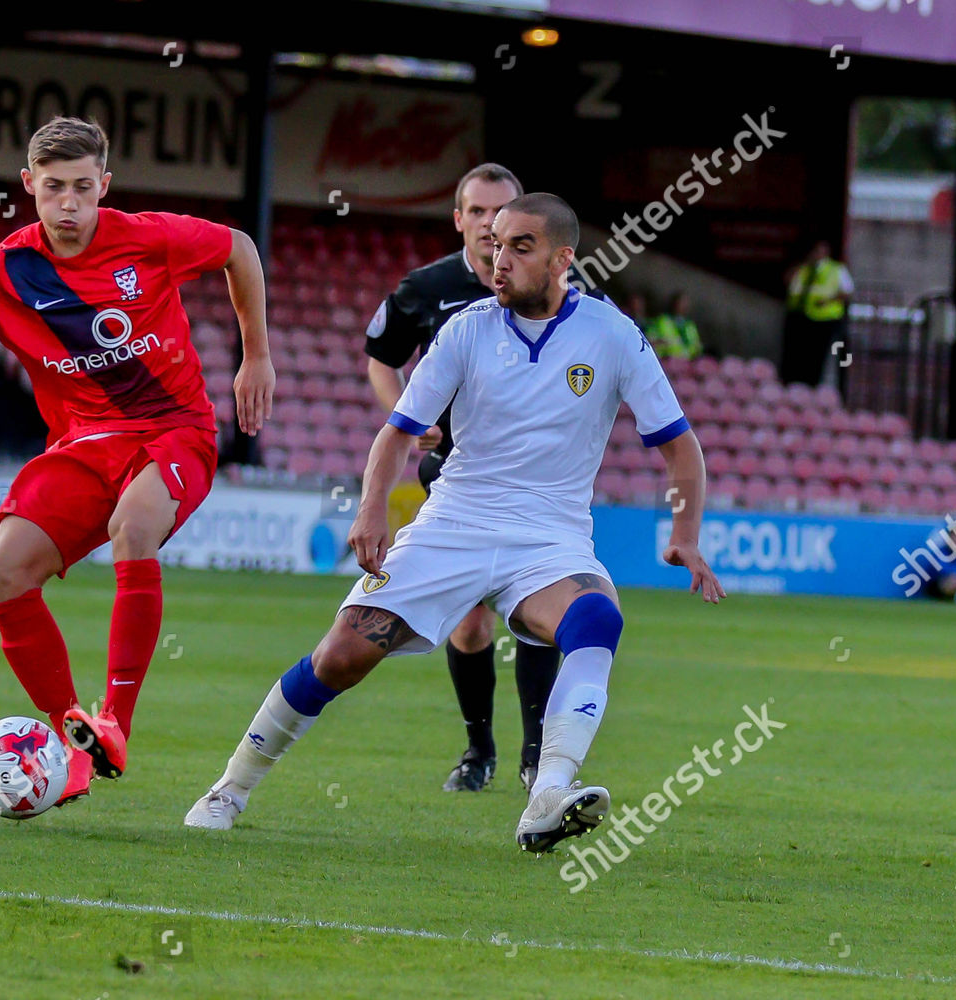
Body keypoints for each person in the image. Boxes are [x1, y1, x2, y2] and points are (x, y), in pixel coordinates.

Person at [186, 193, 724, 853]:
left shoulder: (611, 335)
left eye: (520, 247)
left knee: (597, 619)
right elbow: (397, 432)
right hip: (455, 524)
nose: (500, 260)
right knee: (339, 658)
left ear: (562, 259)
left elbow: (679, 444)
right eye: (495, 244)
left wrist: (686, 534)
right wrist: (371, 507)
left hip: (549, 538)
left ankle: (548, 791)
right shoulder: (467, 328)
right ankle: (230, 787)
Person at [0, 116, 274, 803]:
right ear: (28, 187)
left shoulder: (148, 236)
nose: (68, 204)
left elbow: (239, 247)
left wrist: (256, 356)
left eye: (81, 188)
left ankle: (116, 723)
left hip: (174, 429)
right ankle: (73, 741)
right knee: (4, 571)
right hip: (84, 442)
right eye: (52, 189)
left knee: (135, 529)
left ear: (104, 185)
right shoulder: (8, 267)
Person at [364, 163, 565, 794]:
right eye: (476, 213)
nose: (488, 225)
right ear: (459, 219)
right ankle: (480, 750)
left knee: (538, 612)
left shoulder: (560, 290)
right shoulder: (427, 288)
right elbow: (380, 357)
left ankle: (537, 756)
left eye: (500, 213)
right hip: (454, 476)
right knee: (472, 623)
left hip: (535, 485)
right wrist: (404, 415)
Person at [782, 240, 853, 387]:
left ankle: (819, 386)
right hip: (802, 318)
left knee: (824, 357)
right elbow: (788, 282)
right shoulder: (803, 269)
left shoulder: (836, 269)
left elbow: (847, 292)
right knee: (800, 356)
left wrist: (827, 301)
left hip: (827, 320)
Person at [648, 291, 702, 360]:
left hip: (687, 363)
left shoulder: (690, 325)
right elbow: (651, 339)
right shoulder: (662, 321)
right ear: (675, 303)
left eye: (686, 303)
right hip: (665, 360)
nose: (684, 305)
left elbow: (696, 346)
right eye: (682, 302)